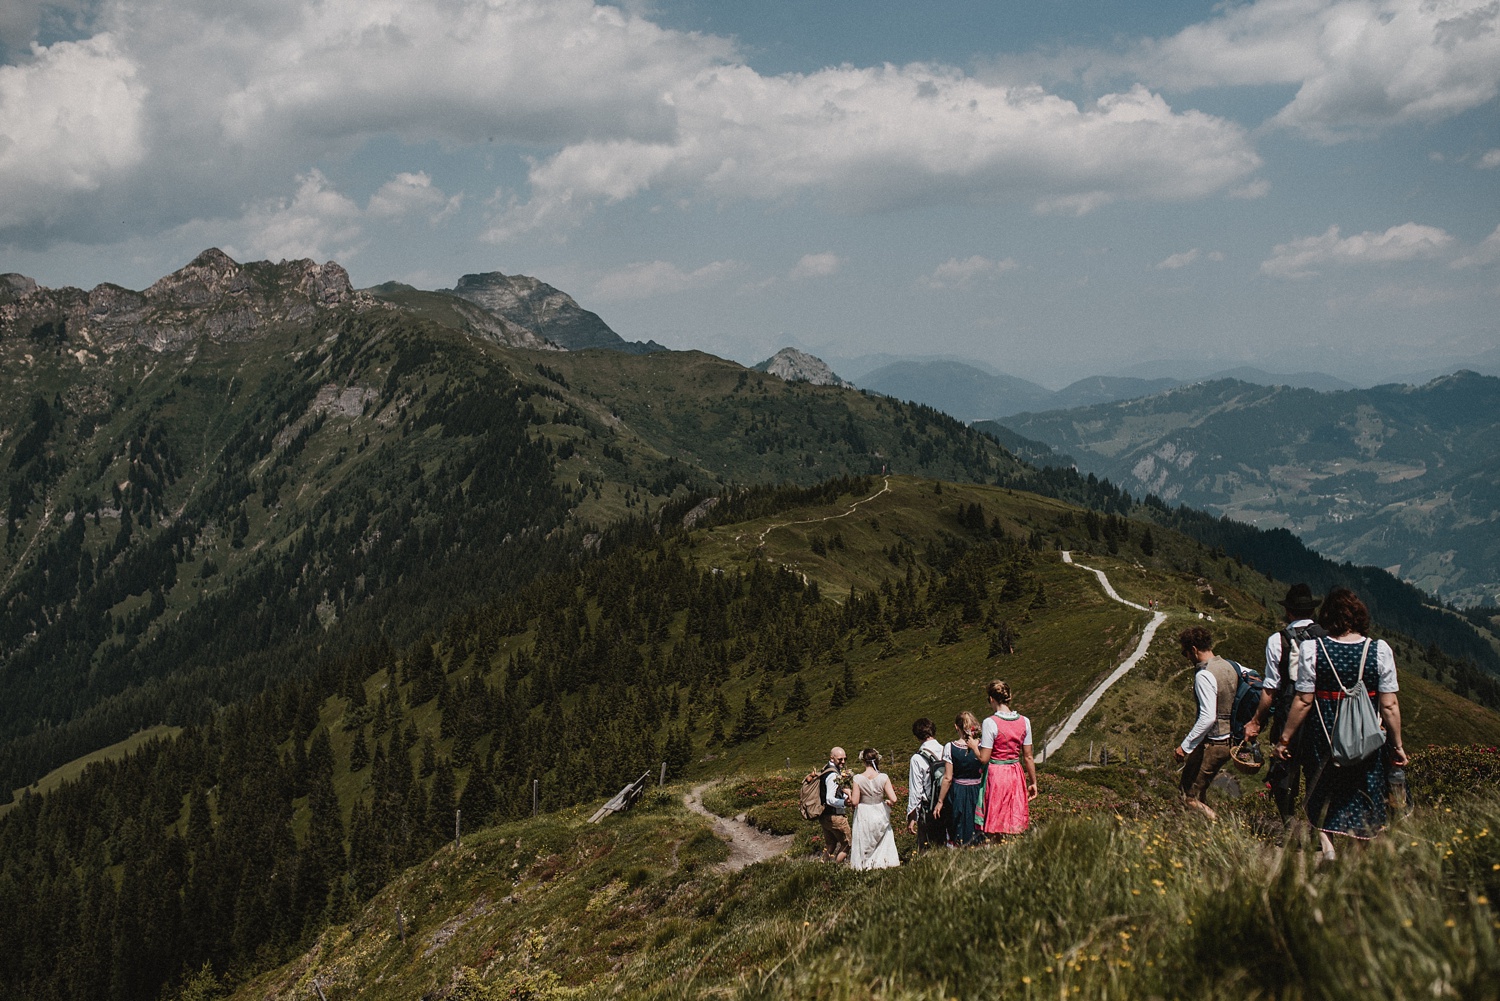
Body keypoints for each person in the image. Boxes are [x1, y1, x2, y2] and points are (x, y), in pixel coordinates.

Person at [1274, 587, 1407, 861]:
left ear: (1326, 618)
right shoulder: (1379, 650)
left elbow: (1303, 701)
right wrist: (1397, 745)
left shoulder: (1313, 649)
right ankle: (1361, 855)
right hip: (1366, 736)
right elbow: (1389, 705)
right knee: (1364, 791)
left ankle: (1329, 849)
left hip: (1324, 735)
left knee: (1322, 789)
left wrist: (1285, 739)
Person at [1243, 584, 1326, 829]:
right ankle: (1318, 828)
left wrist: (1256, 720)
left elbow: (1270, 687)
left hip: (1288, 710)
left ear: (1288, 612)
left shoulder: (1278, 640)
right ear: (1311, 611)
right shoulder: (1326, 636)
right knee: (1317, 770)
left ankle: (1288, 821)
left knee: (1284, 768)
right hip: (1321, 713)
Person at [1174, 626, 1241, 820]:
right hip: (1231, 738)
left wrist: (1185, 747)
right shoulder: (1230, 665)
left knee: (1187, 794)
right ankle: (1202, 830)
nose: (1186, 657)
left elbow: (1207, 717)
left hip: (1214, 741)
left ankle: (1220, 827)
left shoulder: (1204, 675)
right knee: (1200, 790)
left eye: (1185, 653)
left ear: (1194, 649)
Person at [964, 680, 1037, 839]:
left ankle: (997, 850)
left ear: (991, 699)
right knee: (1013, 817)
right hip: (1015, 772)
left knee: (996, 819)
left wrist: (974, 746)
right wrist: (1033, 782)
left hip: (997, 774)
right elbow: (1028, 756)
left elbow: (984, 758)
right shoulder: (1025, 721)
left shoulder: (990, 722)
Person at [936, 710, 984, 846]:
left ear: (956, 727)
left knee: (959, 823)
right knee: (978, 823)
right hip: (978, 789)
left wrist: (940, 801)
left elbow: (948, 778)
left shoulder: (950, 747)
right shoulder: (981, 746)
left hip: (959, 791)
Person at [848, 747, 901, 870]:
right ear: (877, 760)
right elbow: (894, 799)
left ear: (863, 761)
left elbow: (855, 801)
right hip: (879, 810)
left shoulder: (858, 778)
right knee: (883, 839)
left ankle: (864, 866)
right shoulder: (883, 777)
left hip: (864, 811)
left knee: (864, 839)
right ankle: (883, 863)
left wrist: (848, 793)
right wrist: (887, 801)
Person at [906, 718, 946, 849]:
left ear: (917, 735)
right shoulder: (946, 750)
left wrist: (912, 816)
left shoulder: (917, 758)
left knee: (928, 845)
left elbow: (916, 790)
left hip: (928, 807)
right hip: (947, 803)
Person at [816, 747, 850, 863]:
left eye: (845, 759)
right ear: (832, 758)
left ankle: (822, 866)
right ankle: (834, 869)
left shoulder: (825, 769)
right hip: (835, 816)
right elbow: (830, 798)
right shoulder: (833, 775)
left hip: (824, 815)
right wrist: (844, 802)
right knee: (847, 844)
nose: (843, 762)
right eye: (840, 759)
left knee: (831, 844)